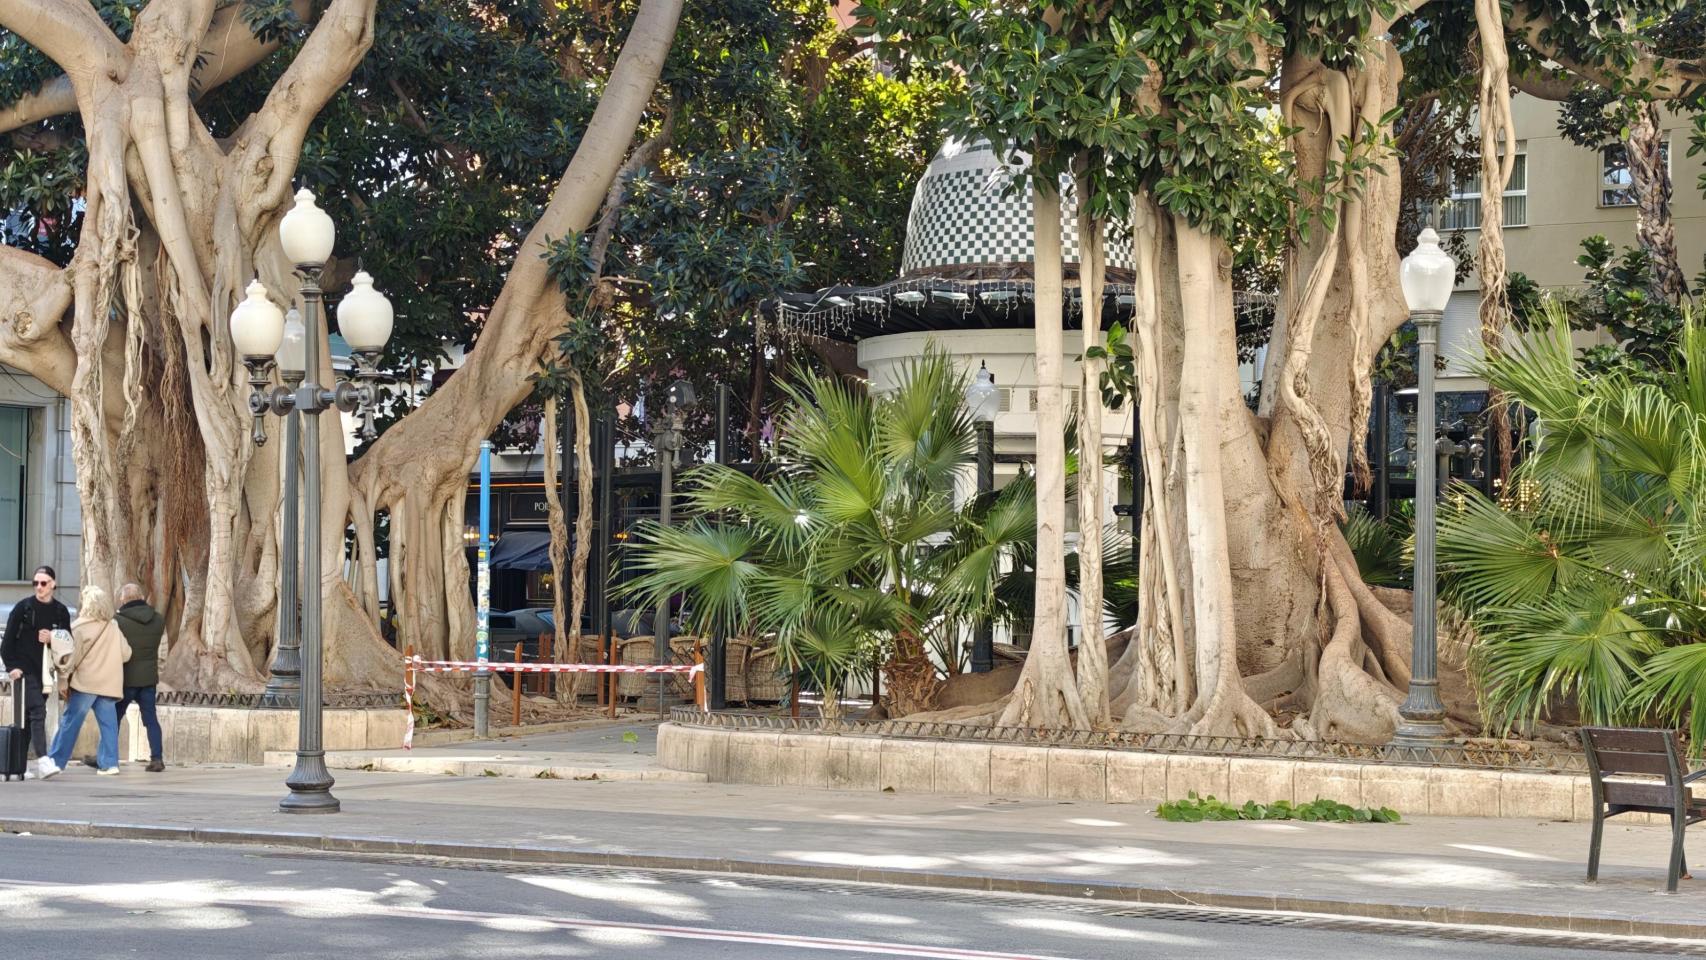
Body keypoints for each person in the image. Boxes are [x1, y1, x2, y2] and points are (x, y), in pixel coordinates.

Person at [38, 585, 130, 779]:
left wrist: (63, 682)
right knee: (109, 725)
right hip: (109, 684)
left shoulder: (79, 627)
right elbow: (126, 653)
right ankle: (110, 763)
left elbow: (71, 659)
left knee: (70, 723)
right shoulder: (113, 627)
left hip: (85, 684)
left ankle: (56, 761)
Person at [1, 566, 71, 774]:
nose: (38, 587)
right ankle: (42, 759)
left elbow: (68, 642)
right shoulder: (23, 608)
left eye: (43, 583)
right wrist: (12, 667)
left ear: (53, 584)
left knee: (27, 719)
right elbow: (7, 643)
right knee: (38, 712)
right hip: (24, 671)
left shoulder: (60, 611)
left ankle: (18, 767)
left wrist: (53, 637)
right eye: (35, 583)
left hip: (46, 673)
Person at [113, 583, 165, 772]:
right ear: (142, 597)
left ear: (123, 599)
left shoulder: (117, 621)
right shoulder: (158, 619)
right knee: (151, 719)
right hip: (148, 679)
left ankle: (107, 756)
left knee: (113, 718)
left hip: (126, 679)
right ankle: (157, 758)